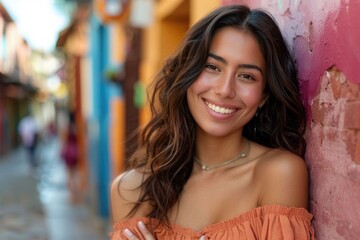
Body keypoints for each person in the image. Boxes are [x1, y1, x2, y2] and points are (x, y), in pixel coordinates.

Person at [110, 4, 315, 239]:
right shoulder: (131, 191)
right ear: (187, 74)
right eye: (212, 66)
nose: (225, 89)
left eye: (247, 76)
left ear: (264, 96)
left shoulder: (279, 174)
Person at [60, 112, 81, 204]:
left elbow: (64, 141)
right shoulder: (76, 127)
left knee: (69, 174)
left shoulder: (66, 128)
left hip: (69, 151)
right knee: (75, 173)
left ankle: (72, 196)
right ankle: (77, 195)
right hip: (76, 151)